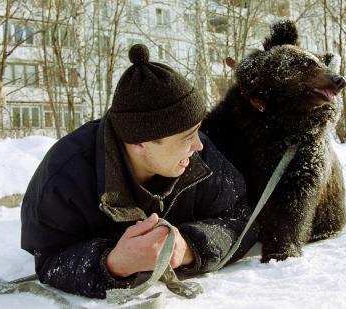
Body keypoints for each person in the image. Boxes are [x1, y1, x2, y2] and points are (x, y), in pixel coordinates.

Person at [21, 44, 258, 299]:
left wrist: (189, 246)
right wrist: (113, 263)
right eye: (186, 136)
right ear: (139, 144)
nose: (198, 144)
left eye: (197, 130)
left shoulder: (203, 157)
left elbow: (241, 217)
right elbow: (48, 257)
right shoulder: (65, 174)